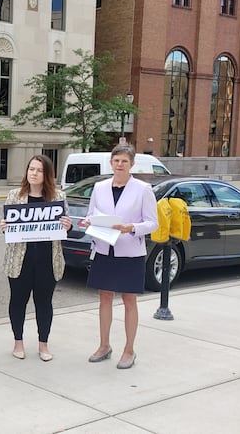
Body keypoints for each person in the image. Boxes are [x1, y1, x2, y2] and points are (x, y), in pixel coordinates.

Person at [79, 143, 157, 369]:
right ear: (111, 163)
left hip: (130, 251)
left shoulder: (143, 189)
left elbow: (152, 223)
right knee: (104, 297)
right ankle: (104, 345)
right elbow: (92, 214)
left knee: (129, 299)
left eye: (124, 161)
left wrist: (130, 227)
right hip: (104, 248)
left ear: (131, 164)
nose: (120, 165)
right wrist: (88, 222)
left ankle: (129, 350)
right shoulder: (100, 187)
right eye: (116, 161)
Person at [0, 155, 72, 361]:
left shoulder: (58, 197)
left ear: (46, 174)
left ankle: (43, 345)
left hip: (47, 260)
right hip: (19, 260)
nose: (33, 173)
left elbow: (65, 226)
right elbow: (9, 229)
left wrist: (68, 225)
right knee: (18, 302)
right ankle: (18, 343)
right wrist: (5, 227)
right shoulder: (15, 195)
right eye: (31, 169)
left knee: (44, 303)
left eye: (38, 170)